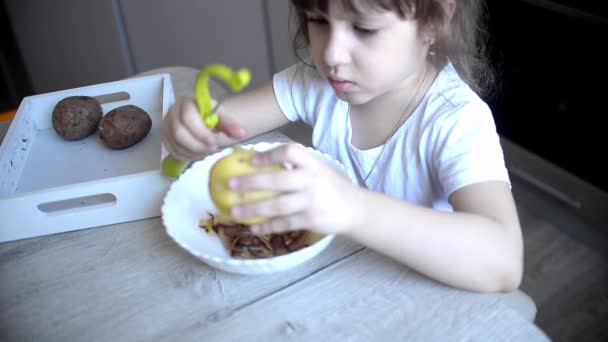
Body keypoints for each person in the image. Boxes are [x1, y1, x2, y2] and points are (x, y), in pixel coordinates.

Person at [161, 0, 523, 293]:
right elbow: (221, 126)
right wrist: (189, 128)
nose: (332, 54)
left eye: (364, 28)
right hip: (337, 286)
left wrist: (352, 207)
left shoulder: (456, 121)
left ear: (434, 21)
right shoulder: (314, 82)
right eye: (318, 21)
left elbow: (503, 263)